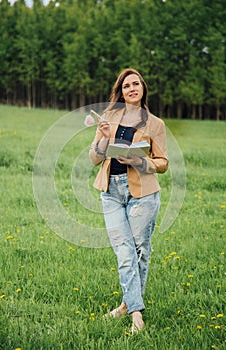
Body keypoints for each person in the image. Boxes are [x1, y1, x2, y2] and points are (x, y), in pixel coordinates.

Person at [89, 68, 168, 333]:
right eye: (126, 86)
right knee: (125, 253)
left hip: (143, 195)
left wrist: (140, 161)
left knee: (140, 253)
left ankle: (126, 306)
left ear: (143, 88)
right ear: (120, 92)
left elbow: (163, 163)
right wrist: (104, 138)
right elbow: (95, 158)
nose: (131, 88)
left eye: (136, 84)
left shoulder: (155, 124)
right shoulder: (109, 118)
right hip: (111, 191)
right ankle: (136, 313)